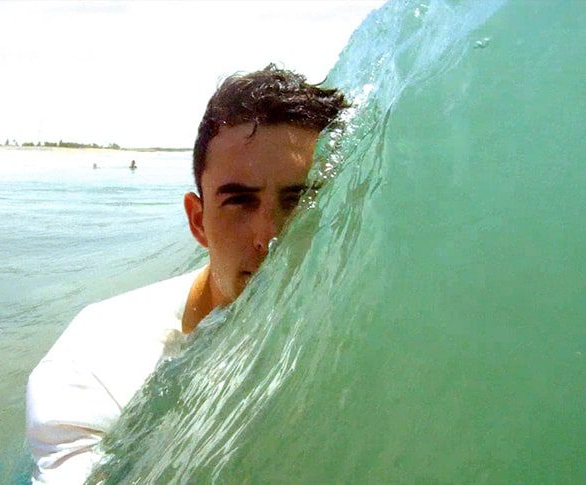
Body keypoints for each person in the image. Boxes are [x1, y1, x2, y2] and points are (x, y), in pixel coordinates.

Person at [25, 64, 348, 484]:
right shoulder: (93, 371)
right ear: (198, 221)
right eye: (239, 202)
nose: (269, 237)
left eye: (298, 200)